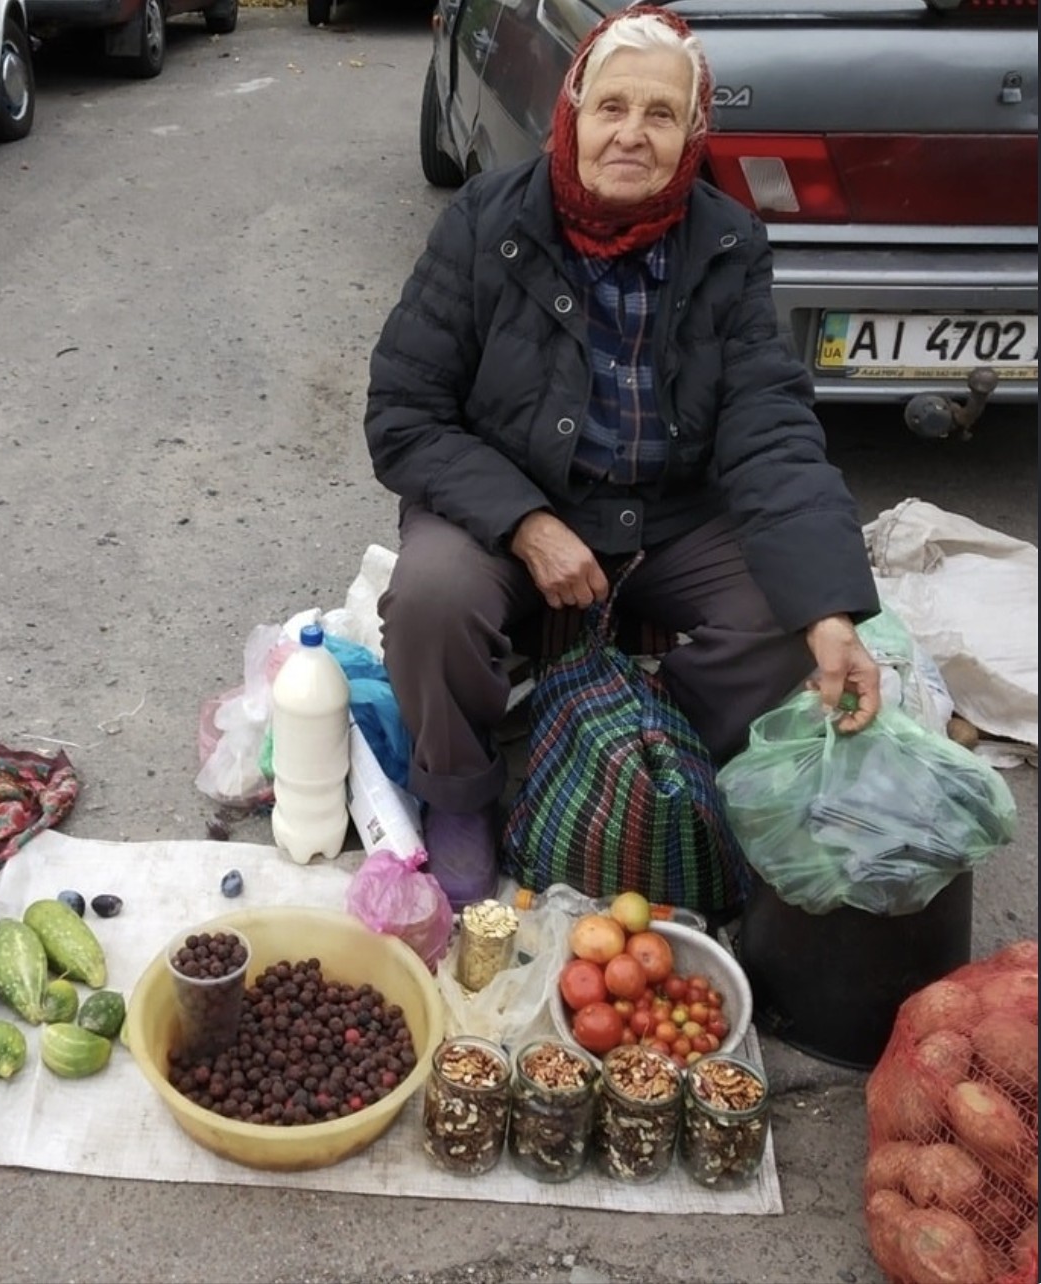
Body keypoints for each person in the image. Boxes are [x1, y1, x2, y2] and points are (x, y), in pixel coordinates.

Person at [364, 6, 881, 910]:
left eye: (660, 114)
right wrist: (526, 524)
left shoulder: (726, 243)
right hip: (513, 500)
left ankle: (636, 742)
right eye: (612, 107)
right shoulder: (488, 221)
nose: (632, 134)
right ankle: (461, 793)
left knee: (791, 612)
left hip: (671, 513)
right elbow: (405, 413)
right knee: (433, 598)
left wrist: (832, 608)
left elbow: (771, 428)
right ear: (572, 114)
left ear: (692, 136)